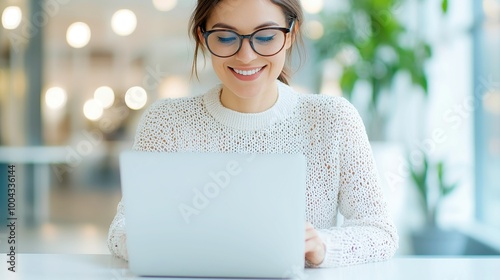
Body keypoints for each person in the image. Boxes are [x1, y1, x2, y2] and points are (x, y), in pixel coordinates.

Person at [108, 0, 398, 268]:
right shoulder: (166, 122)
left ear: (291, 35)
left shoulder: (332, 120)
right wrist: (155, 244)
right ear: (202, 37)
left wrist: (322, 245)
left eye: (265, 37)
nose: (246, 56)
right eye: (225, 37)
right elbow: (122, 228)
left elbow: (380, 232)